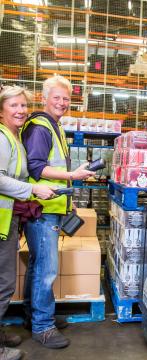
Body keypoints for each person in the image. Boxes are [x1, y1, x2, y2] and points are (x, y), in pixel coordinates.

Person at [21, 76, 95, 349]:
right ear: (44, 98)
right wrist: (72, 175)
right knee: (46, 270)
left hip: (51, 205)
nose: (62, 103)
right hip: (42, 209)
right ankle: (43, 327)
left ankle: (33, 316)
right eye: (57, 98)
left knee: (38, 266)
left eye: (66, 99)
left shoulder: (54, 127)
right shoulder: (41, 127)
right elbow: (36, 168)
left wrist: (67, 199)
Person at [0, 85, 54, 360]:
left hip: (7, 219)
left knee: (4, 281)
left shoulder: (15, 137)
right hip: (0, 221)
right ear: (1, 110)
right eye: (13, 106)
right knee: (4, 282)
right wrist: (33, 191)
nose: (20, 111)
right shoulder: (2, 138)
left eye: (23, 106)